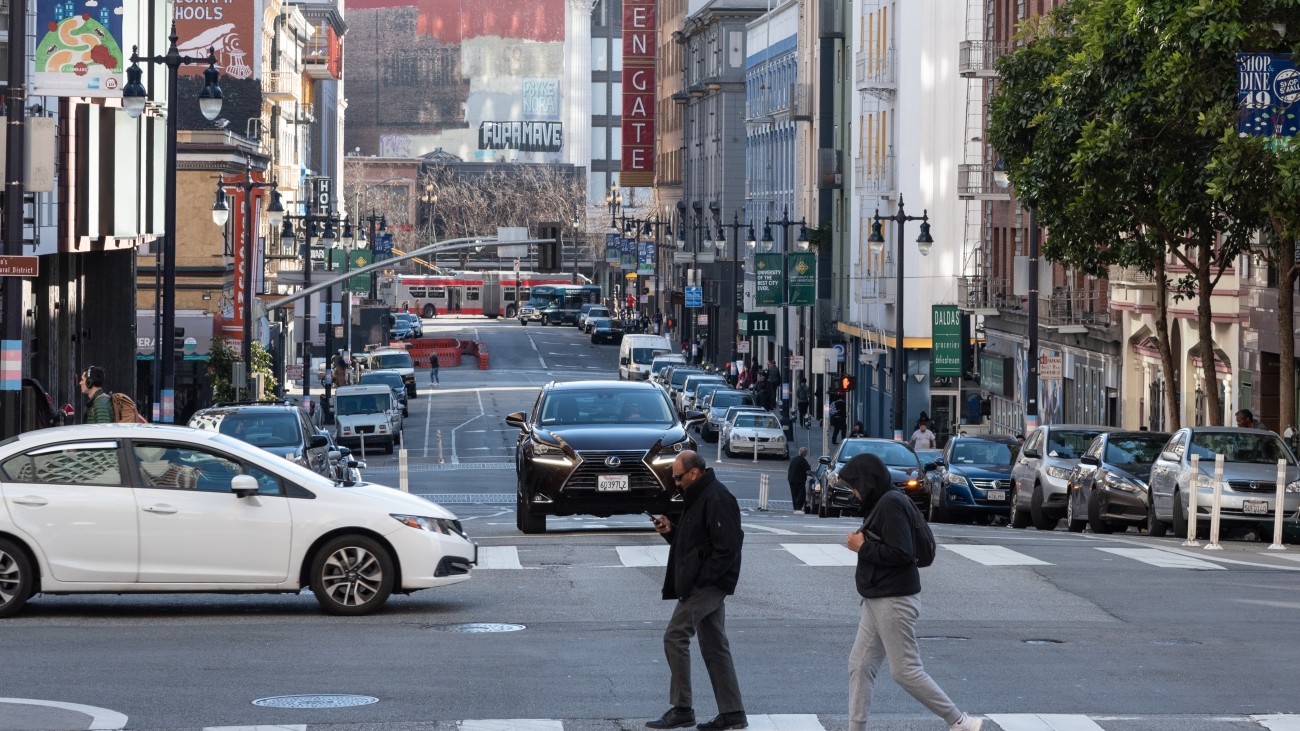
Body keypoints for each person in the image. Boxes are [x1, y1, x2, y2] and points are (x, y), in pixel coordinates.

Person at [841, 453, 983, 731]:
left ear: (867, 482)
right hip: (879, 596)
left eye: (854, 485)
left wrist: (862, 547)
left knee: (904, 670)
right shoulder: (885, 501)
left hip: (893, 599)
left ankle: (960, 721)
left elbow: (901, 552)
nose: (854, 492)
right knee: (859, 664)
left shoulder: (890, 504)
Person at [646, 451, 747, 731]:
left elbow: (728, 547)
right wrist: (670, 530)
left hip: (707, 584)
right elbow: (694, 542)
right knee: (715, 646)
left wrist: (704, 579)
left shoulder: (716, 497)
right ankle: (733, 713)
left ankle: (682, 708)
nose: (675, 482)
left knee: (675, 636)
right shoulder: (699, 494)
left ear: (694, 473)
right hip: (707, 581)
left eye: (678, 477)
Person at [788, 447, 811, 514]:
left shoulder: (793, 459)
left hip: (791, 479)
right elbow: (808, 470)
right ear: (805, 454)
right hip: (799, 480)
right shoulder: (803, 460)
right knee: (801, 494)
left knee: (794, 494)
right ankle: (798, 507)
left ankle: (795, 507)